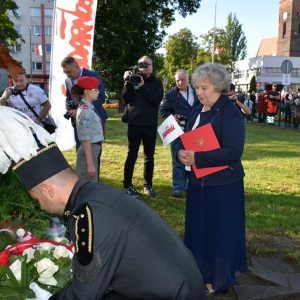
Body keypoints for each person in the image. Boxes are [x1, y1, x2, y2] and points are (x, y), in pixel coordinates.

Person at [0, 108, 207, 299]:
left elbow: (84, 295)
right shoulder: (93, 192)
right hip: (180, 285)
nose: (41, 206)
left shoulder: (86, 215)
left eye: (37, 199)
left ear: (48, 190)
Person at [178, 63, 248, 296]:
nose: (199, 92)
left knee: (219, 234)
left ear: (218, 87)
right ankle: (198, 274)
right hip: (198, 184)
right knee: (199, 232)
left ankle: (218, 280)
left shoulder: (230, 113)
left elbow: (233, 152)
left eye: (204, 88)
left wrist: (197, 157)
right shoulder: (197, 110)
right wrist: (182, 153)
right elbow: (187, 139)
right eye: (197, 87)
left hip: (223, 187)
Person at [122, 55, 163, 197]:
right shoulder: (132, 79)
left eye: (149, 64)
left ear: (152, 66)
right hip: (134, 123)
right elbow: (126, 99)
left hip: (150, 124)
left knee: (149, 157)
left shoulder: (156, 82)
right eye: (143, 64)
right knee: (131, 155)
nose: (146, 67)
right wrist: (127, 82)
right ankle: (127, 185)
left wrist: (142, 86)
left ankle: (148, 185)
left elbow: (156, 100)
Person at [159, 69, 198, 198]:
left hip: (196, 130)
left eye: (183, 79)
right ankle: (177, 187)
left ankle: (190, 184)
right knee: (178, 159)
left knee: (193, 158)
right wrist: (172, 116)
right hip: (178, 131)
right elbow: (163, 110)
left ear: (188, 79)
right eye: (178, 80)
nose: (180, 82)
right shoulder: (170, 94)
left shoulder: (197, 91)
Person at [60, 56, 107, 151]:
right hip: (78, 119)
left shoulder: (92, 75)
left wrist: (80, 109)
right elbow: (69, 96)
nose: (67, 75)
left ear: (77, 67)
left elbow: (101, 97)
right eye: (65, 72)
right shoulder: (68, 80)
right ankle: (83, 166)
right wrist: (68, 104)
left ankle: (92, 166)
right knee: (80, 148)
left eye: (69, 71)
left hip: (95, 117)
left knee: (94, 150)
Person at [70, 76, 104, 182]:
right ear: (87, 91)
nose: (98, 92)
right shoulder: (86, 111)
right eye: (95, 89)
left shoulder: (88, 107)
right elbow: (86, 139)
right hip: (89, 150)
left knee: (91, 186)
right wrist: (90, 164)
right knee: (88, 186)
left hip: (91, 149)